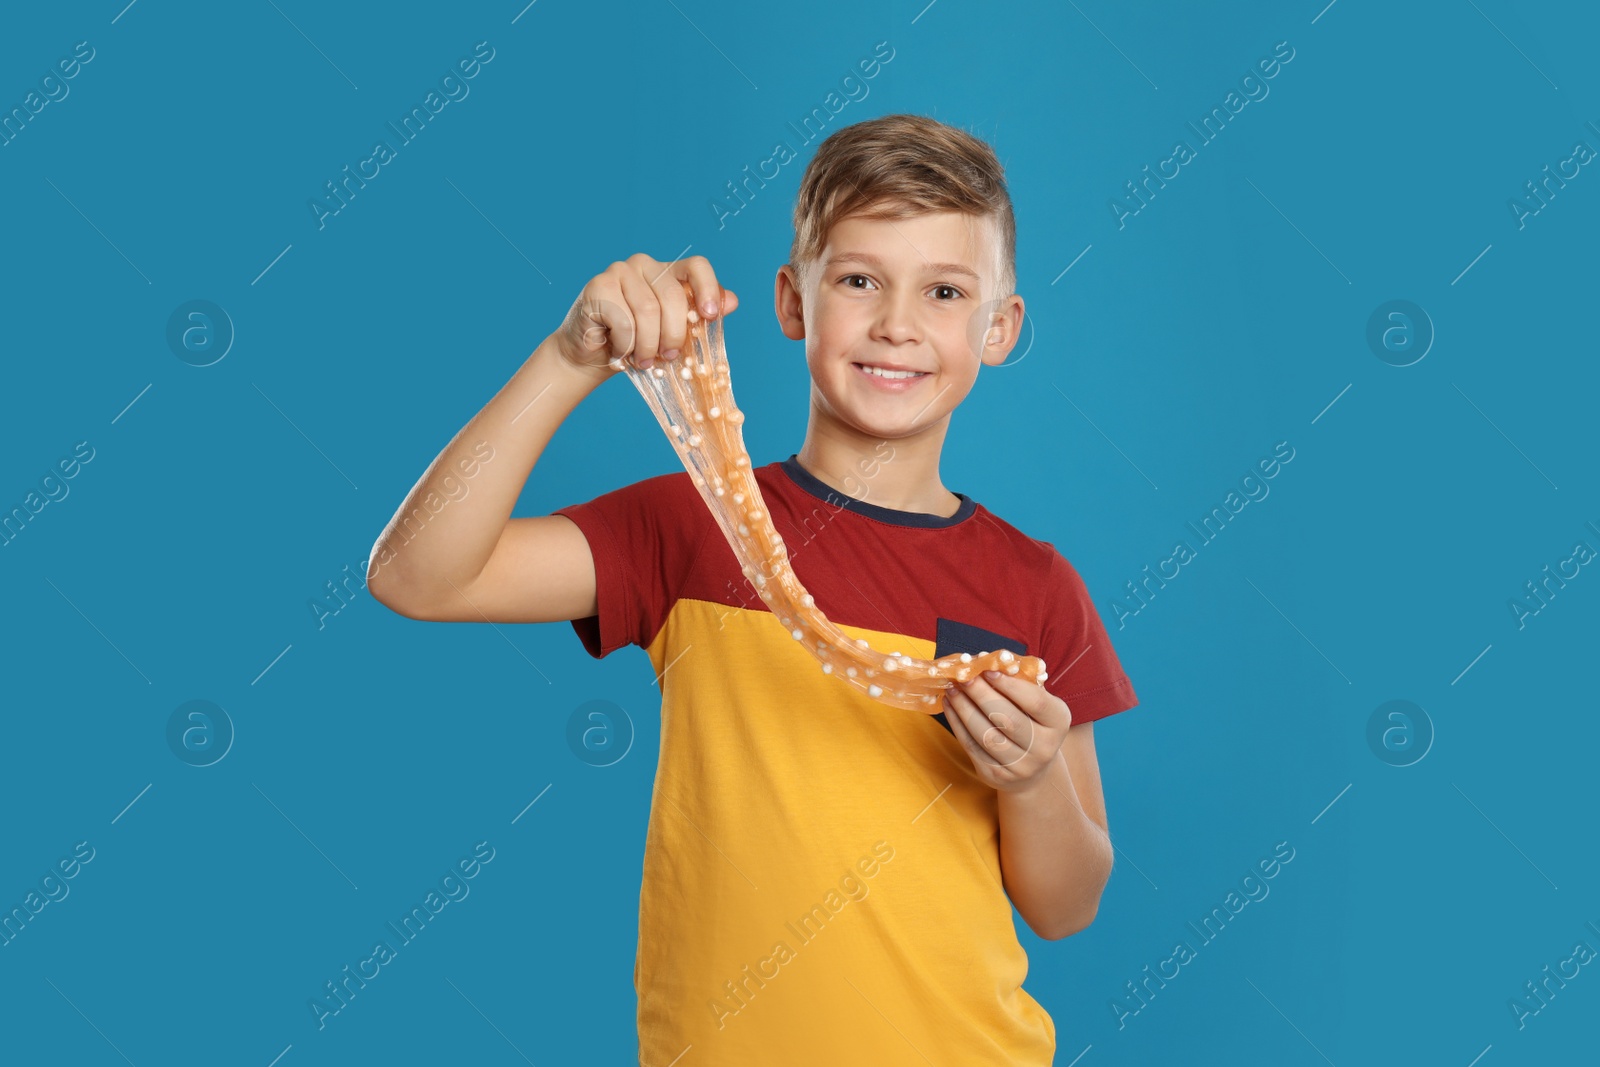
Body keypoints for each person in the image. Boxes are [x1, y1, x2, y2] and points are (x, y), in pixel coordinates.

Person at [367, 112, 1139, 1065]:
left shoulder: (1035, 584)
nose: (897, 323)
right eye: (859, 280)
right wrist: (568, 360)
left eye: (944, 291)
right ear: (792, 301)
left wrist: (1030, 777)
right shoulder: (690, 526)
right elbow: (417, 574)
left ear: (999, 329)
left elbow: (1068, 905)